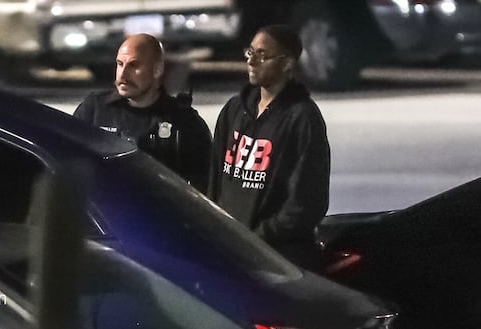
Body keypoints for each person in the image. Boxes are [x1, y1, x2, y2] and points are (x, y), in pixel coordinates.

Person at [208, 24, 330, 269]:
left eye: (262, 55)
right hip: (230, 251)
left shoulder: (303, 118)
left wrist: (258, 239)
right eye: (250, 52)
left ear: (287, 63)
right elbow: (215, 182)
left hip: (278, 259)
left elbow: (306, 203)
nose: (252, 61)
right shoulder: (234, 110)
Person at [74, 33, 213, 194]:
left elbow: (204, 187)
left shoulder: (184, 122)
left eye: (134, 66)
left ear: (157, 70)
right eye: (120, 64)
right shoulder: (94, 110)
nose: (123, 75)